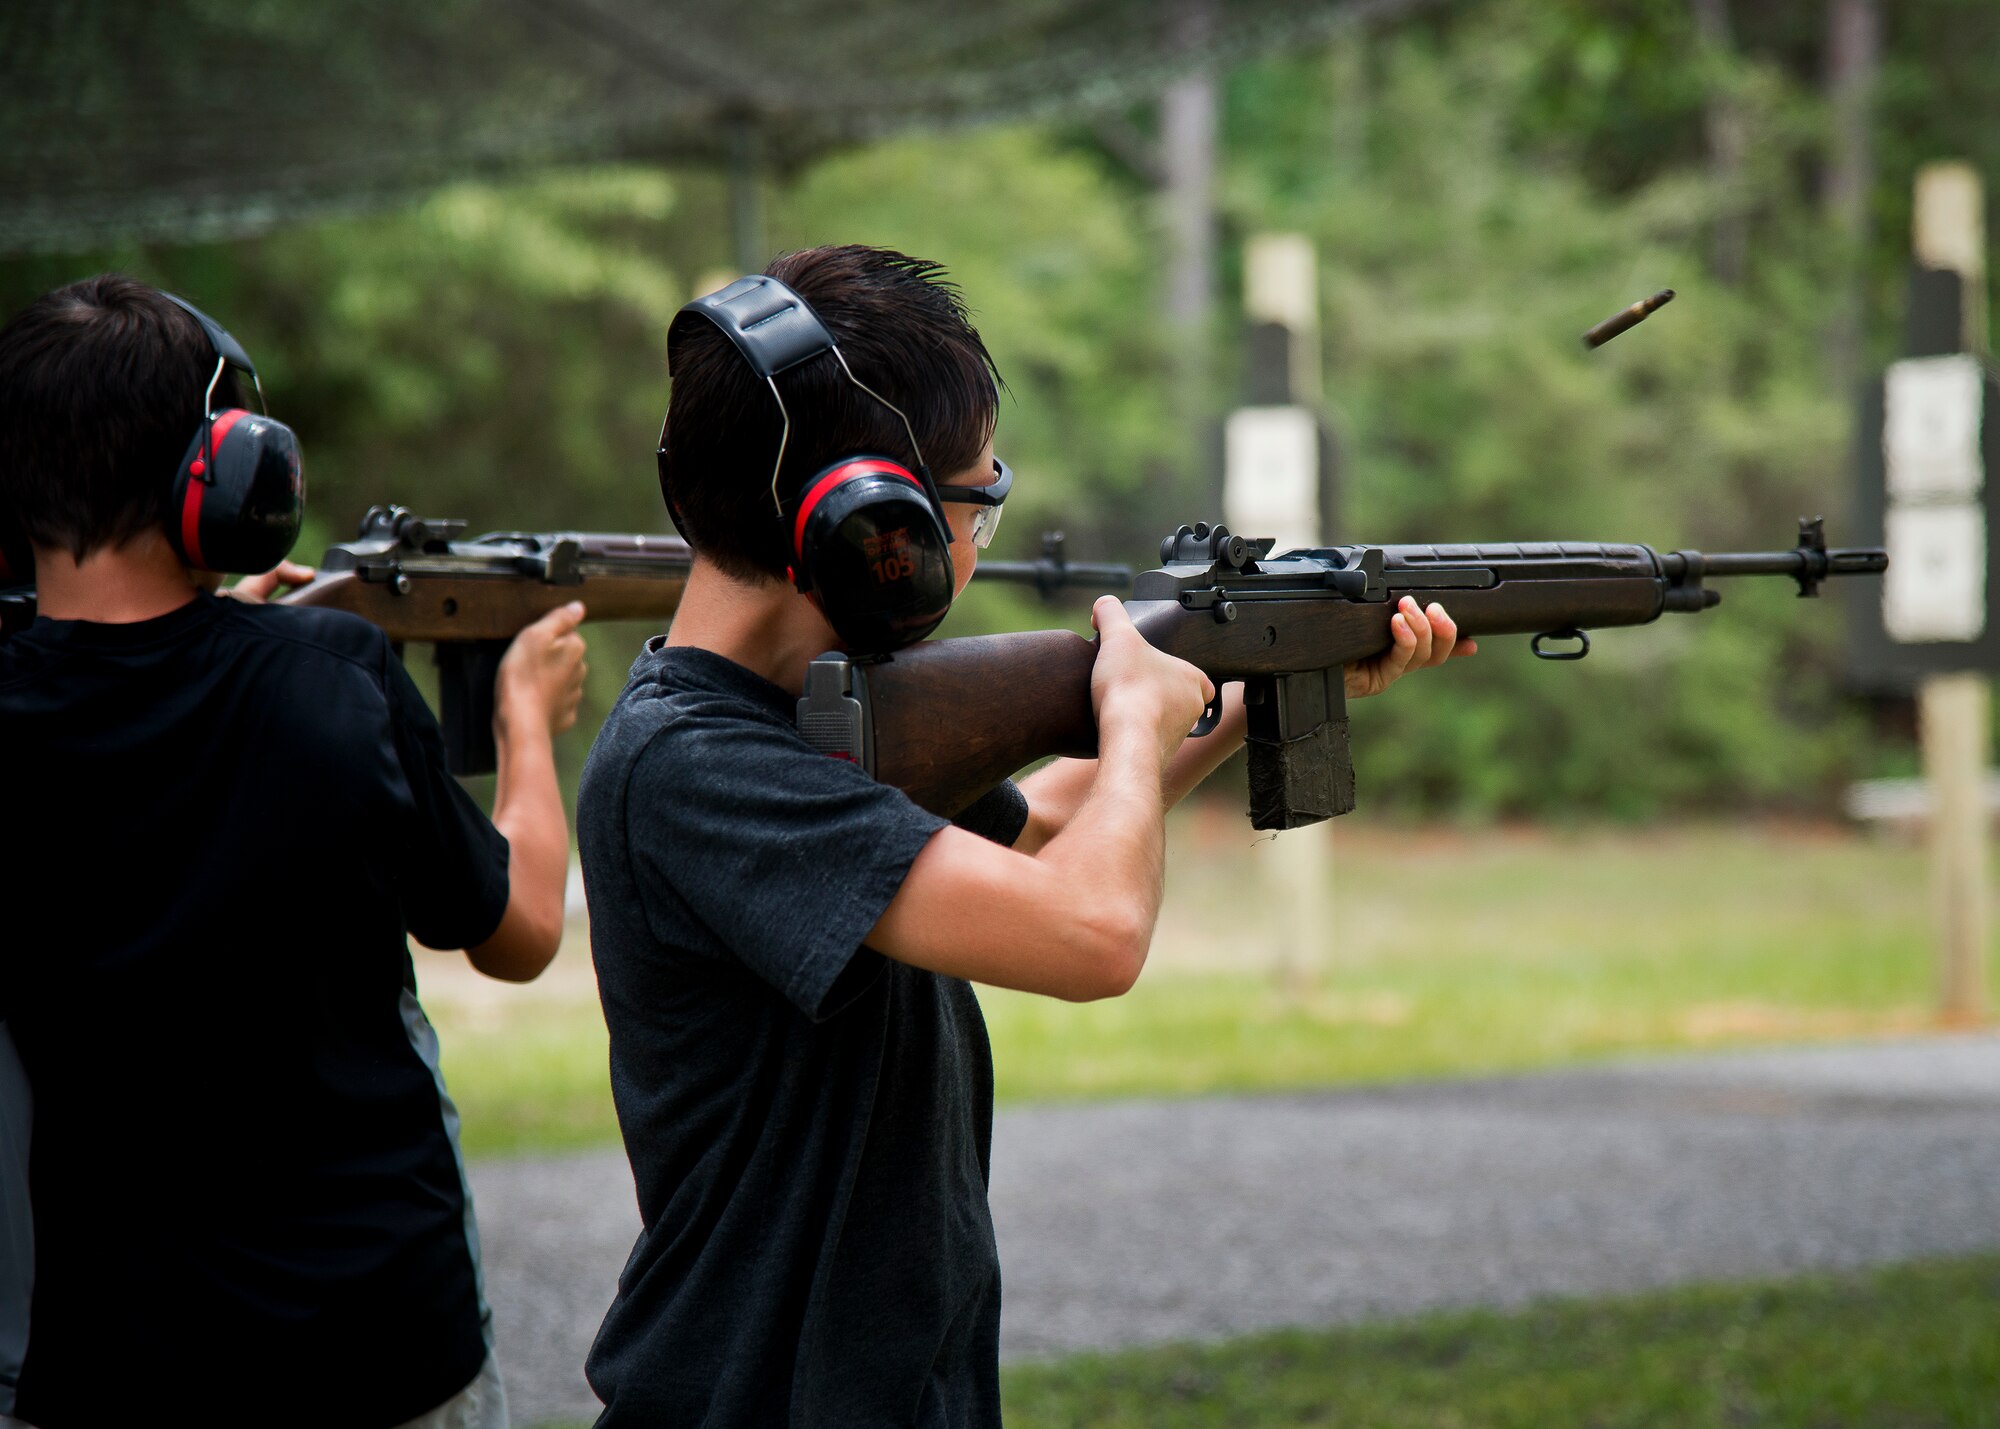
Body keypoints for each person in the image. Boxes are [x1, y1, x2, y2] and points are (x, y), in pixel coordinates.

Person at [578, 244, 1471, 1427]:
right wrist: (1132, 717)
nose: (978, 535)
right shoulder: (698, 766)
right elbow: (1090, 930)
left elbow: (1038, 836)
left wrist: (1252, 683)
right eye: (976, 504)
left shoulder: (800, 724)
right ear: (873, 524)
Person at [0, 274, 587, 1429]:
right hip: (376, 1343)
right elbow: (520, 933)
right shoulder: (332, 681)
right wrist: (524, 724)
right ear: (224, 475)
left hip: (116, 1359)